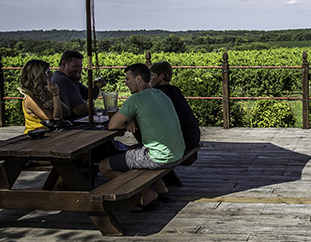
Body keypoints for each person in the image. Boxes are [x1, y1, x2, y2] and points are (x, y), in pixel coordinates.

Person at [100, 63, 186, 208]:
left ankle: (146, 193)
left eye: (127, 79)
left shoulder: (136, 99)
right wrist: (131, 118)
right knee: (132, 149)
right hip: (177, 152)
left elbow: (112, 125)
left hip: (160, 157)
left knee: (103, 166)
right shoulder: (161, 94)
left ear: (138, 79)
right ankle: (160, 187)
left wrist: (127, 117)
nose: (126, 83)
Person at [149, 61, 201, 154]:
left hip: (183, 142)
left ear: (161, 76)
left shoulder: (159, 94)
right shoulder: (175, 90)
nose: (149, 79)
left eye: (152, 76)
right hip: (192, 137)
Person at [18, 59, 71, 133]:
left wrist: (55, 101)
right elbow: (54, 122)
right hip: (35, 137)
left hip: (48, 134)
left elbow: (67, 113)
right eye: (48, 72)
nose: (51, 75)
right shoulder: (31, 98)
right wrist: (56, 95)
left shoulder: (46, 92)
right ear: (37, 75)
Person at [51, 50, 105, 118]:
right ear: (64, 64)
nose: (79, 69)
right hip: (72, 124)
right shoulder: (64, 81)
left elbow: (89, 96)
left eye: (80, 66)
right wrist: (98, 110)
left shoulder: (69, 77)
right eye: (75, 66)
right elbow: (80, 110)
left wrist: (97, 86)